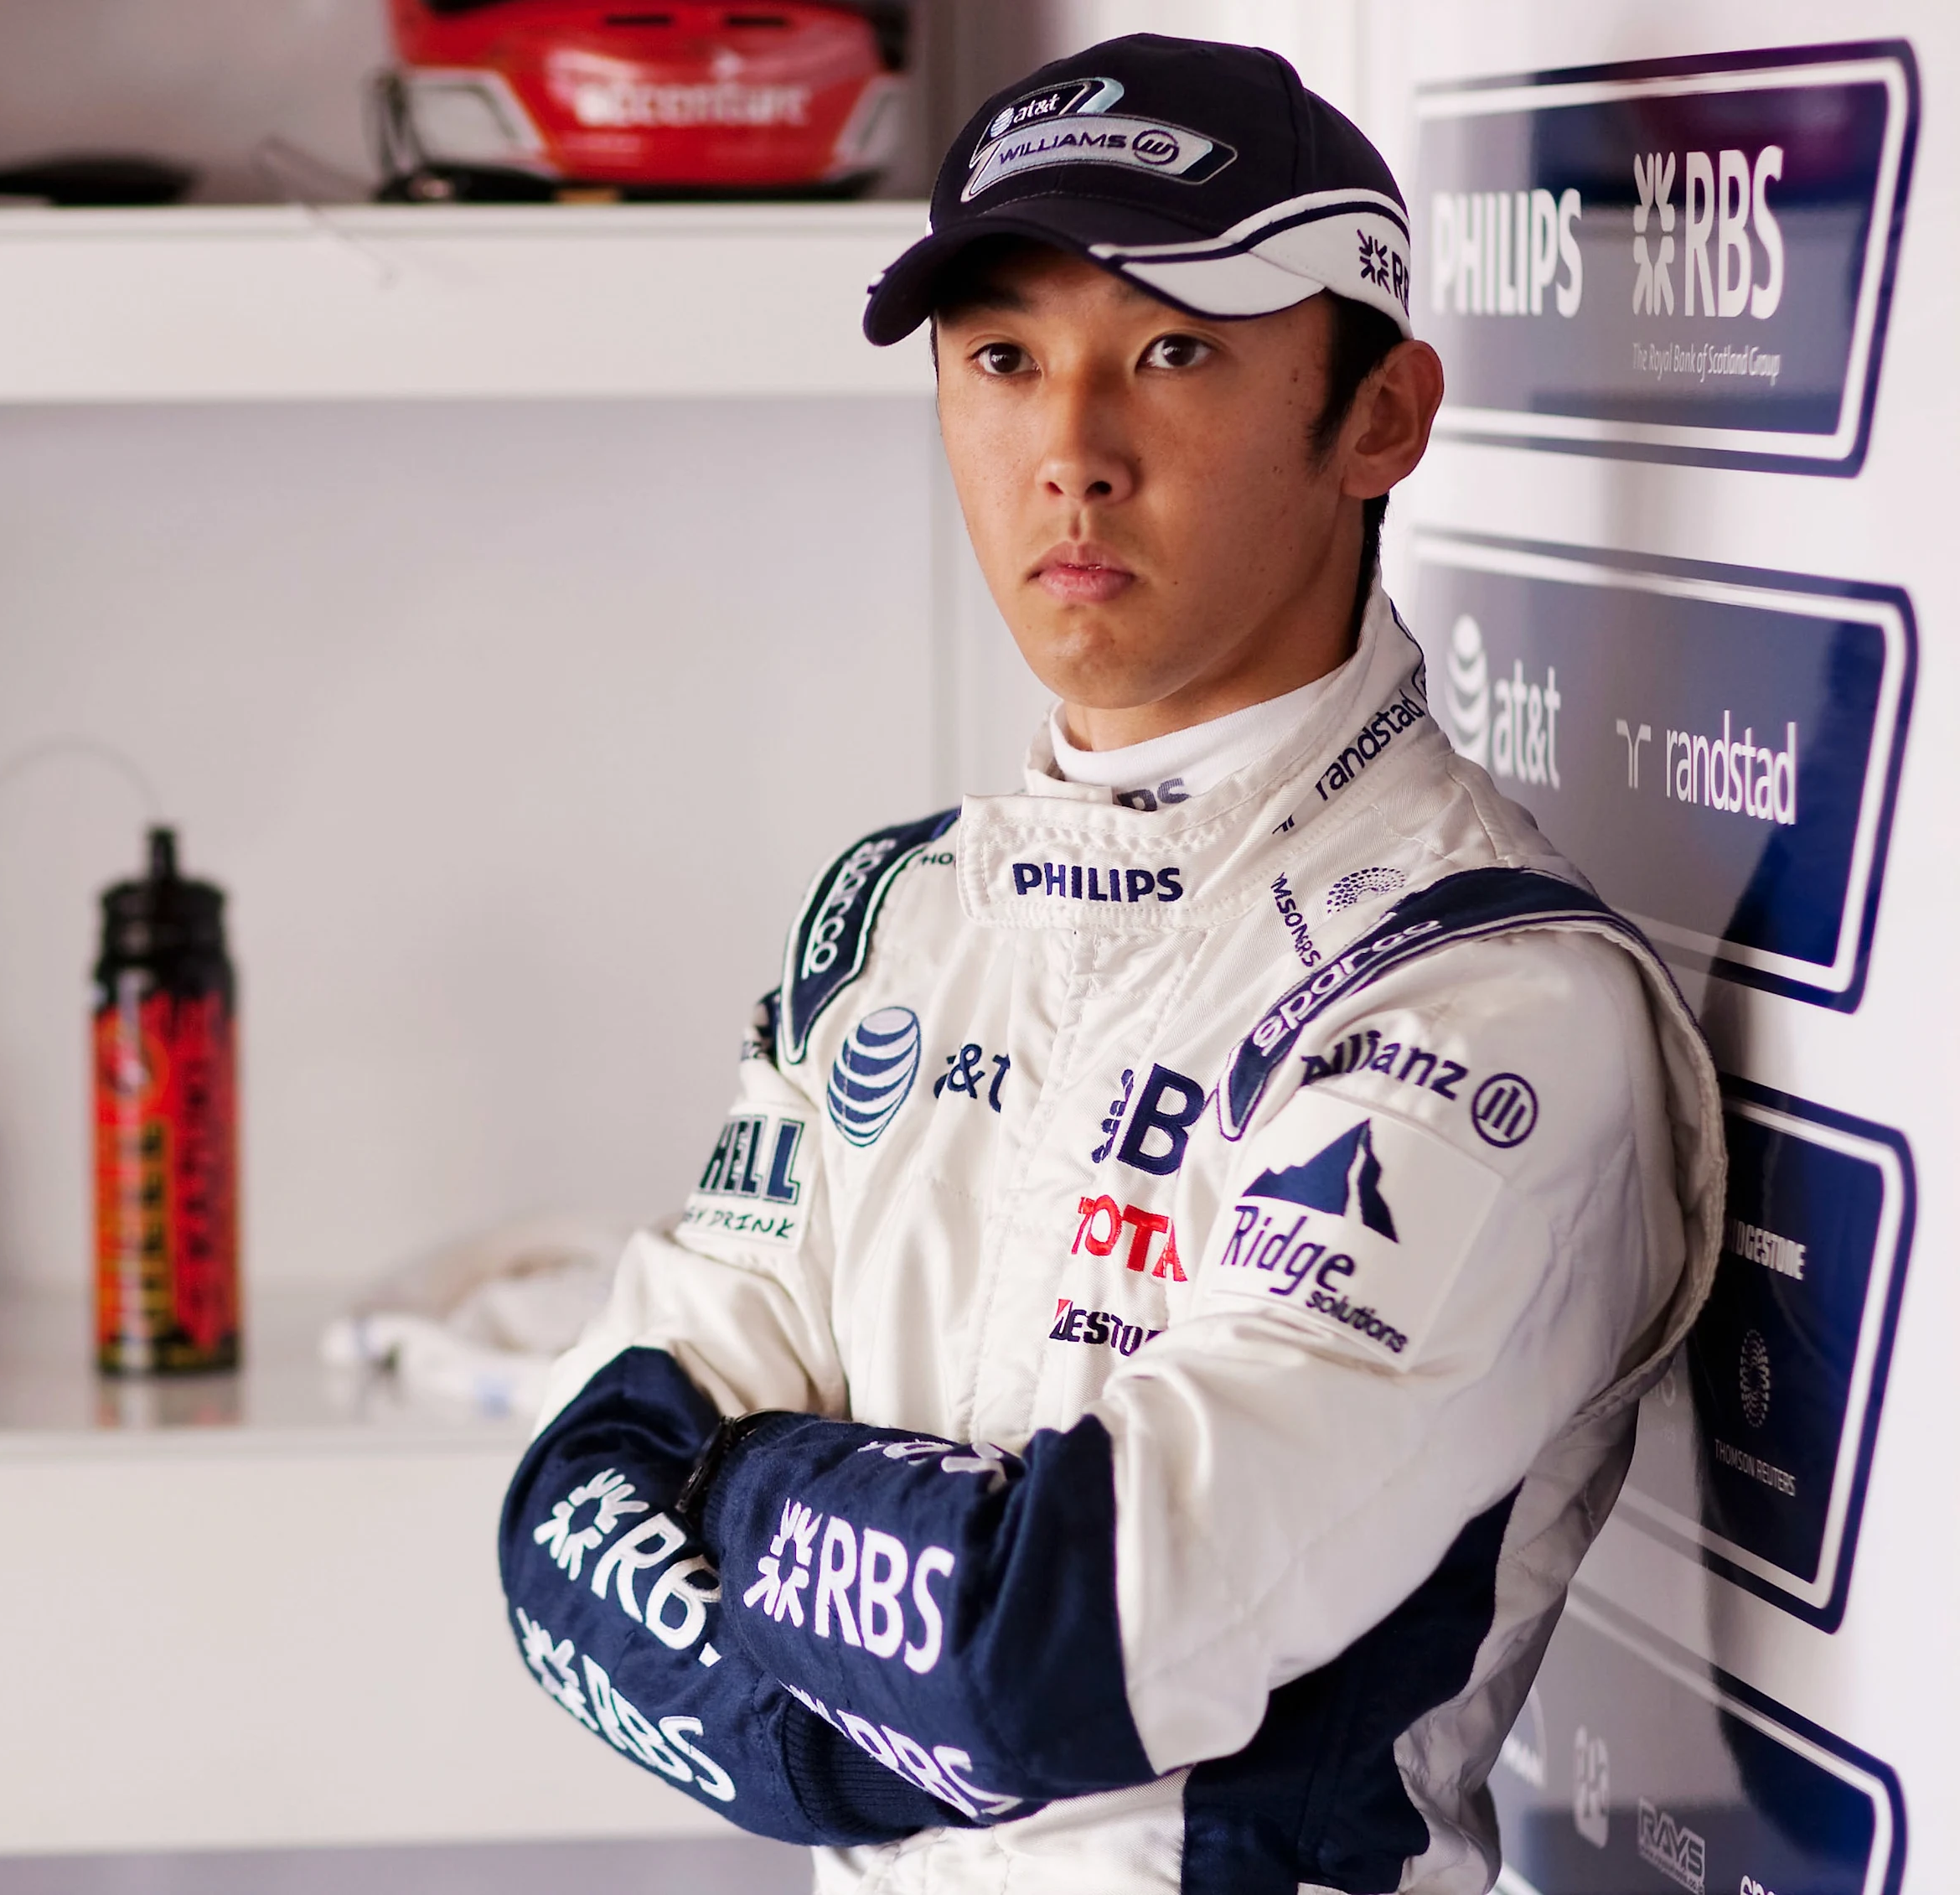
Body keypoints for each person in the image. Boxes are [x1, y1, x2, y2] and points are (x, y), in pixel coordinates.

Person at [495, 32, 1723, 1895]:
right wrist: (875, 1610)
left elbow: (1053, 1648)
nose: (1069, 451)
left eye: (1172, 353)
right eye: (1003, 359)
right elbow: (565, 1514)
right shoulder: (892, 918)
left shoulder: (1478, 997)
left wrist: (727, 1498)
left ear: (1380, 418)